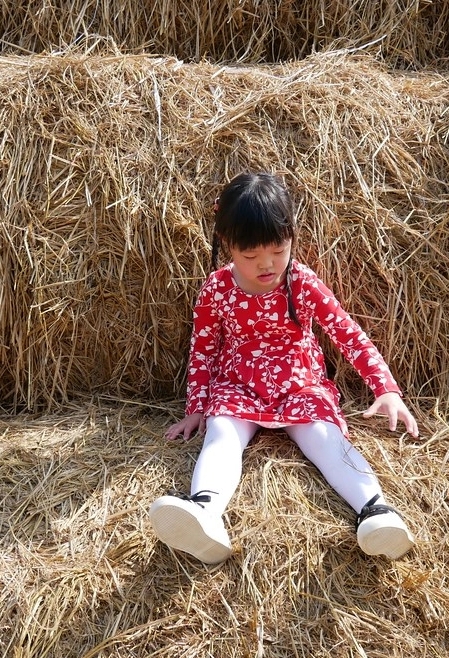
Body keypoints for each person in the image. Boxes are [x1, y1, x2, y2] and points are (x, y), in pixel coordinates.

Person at [149, 172, 419, 564]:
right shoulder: (217, 288)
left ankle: (376, 511)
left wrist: (386, 388)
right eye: (250, 256)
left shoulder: (301, 281)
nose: (267, 265)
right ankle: (206, 512)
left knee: (325, 439)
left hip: (299, 381)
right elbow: (204, 348)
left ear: (291, 235)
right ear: (227, 245)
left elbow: (346, 332)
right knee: (222, 433)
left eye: (278, 250)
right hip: (237, 383)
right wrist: (197, 406)